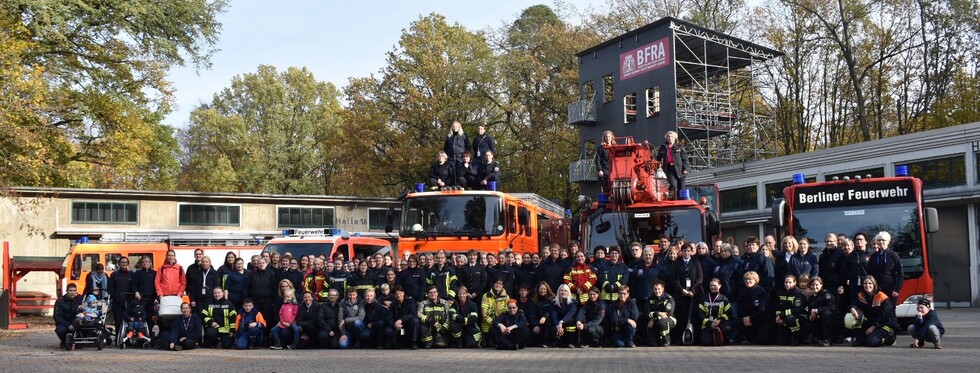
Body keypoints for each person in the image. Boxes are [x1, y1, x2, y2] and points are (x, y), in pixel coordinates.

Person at [849, 276, 899, 347]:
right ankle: (862, 338)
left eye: (870, 283)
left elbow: (885, 316)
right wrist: (852, 308)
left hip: (883, 324)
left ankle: (889, 338)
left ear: (874, 285)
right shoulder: (861, 295)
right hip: (869, 323)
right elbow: (852, 304)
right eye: (865, 283)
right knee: (850, 318)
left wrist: (873, 327)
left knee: (872, 342)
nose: (867, 285)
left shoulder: (882, 297)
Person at [670, 243, 702, 344]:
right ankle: (681, 339)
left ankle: (694, 339)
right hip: (681, 295)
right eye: (684, 251)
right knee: (681, 317)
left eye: (688, 250)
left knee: (693, 316)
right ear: (681, 252)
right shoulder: (676, 263)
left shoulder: (696, 263)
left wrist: (693, 290)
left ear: (691, 252)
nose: (686, 252)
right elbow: (674, 279)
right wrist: (682, 290)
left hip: (693, 295)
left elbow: (700, 278)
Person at [868, 231, 903, 305]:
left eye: (883, 240)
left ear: (888, 241)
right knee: (878, 310)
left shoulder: (893, 256)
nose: (881, 242)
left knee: (890, 311)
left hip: (891, 289)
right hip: (877, 289)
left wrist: (897, 289)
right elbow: (869, 273)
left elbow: (900, 273)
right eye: (879, 240)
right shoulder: (873, 256)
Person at [245, 257, 278, 335]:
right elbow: (246, 288)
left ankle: (266, 338)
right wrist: (247, 300)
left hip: (267, 302)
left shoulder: (271, 274)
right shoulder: (251, 275)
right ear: (257, 264)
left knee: (267, 319)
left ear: (266, 264)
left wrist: (273, 301)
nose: (261, 264)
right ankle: (256, 338)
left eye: (263, 263)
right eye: (260, 263)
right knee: (255, 319)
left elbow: (274, 289)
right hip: (255, 302)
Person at [738, 271, 773, 345]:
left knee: (762, 341)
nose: (748, 281)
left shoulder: (761, 293)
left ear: (756, 280)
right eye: (746, 279)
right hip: (749, 320)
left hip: (762, 320)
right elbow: (742, 308)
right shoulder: (743, 293)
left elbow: (762, 309)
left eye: (750, 279)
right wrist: (745, 318)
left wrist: (750, 318)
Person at [698, 278, 734, 346]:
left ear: (720, 286)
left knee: (727, 328)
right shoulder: (704, 298)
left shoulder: (724, 299)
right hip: (708, 323)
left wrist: (719, 320)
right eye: (711, 285)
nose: (713, 287)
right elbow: (701, 314)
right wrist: (710, 322)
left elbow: (728, 313)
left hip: (721, 323)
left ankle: (725, 338)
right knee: (706, 343)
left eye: (715, 285)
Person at [807, 277, 839, 347]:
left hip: (831, 319)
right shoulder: (811, 298)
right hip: (819, 319)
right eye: (812, 285)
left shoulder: (826, 294)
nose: (814, 287)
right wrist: (811, 316)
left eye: (816, 285)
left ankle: (828, 340)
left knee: (826, 314)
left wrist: (817, 310)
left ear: (821, 285)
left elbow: (831, 306)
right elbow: (810, 310)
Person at [775, 275, 807, 346]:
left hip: (799, 317)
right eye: (786, 282)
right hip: (784, 318)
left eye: (790, 282)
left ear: (795, 283)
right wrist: (778, 316)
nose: (787, 284)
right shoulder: (781, 293)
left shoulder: (798, 294)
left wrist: (782, 315)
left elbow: (797, 309)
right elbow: (778, 308)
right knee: (781, 342)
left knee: (790, 318)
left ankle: (796, 338)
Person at [655, 130, 688, 198]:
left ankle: (681, 201)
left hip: (680, 169)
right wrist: (657, 168)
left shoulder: (679, 146)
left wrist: (685, 169)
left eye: (672, 136)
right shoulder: (663, 147)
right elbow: (658, 158)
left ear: (675, 137)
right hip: (669, 169)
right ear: (667, 138)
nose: (670, 138)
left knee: (681, 186)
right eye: (669, 136)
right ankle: (674, 199)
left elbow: (685, 159)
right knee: (673, 185)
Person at [270, 280, 300, 350]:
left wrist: (290, 322)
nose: (284, 288)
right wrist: (282, 321)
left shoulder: (295, 304)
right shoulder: (282, 304)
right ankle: (278, 344)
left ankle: (294, 344)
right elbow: (279, 313)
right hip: (283, 322)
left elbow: (295, 314)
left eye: (286, 286)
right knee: (273, 330)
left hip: (292, 322)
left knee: (296, 330)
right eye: (282, 286)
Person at [107, 257, 135, 329]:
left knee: (129, 323)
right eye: (122, 262)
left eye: (125, 262)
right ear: (119, 263)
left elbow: (134, 287)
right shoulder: (114, 275)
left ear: (128, 264)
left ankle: (127, 339)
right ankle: (118, 339)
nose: (124, 264)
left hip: (129, 303)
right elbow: (110, 288)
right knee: (118, 323)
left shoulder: (132, 274)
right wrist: (114, 297)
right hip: (117, 303)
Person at [646, 280, 675, 347]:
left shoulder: (669, 298)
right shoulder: (650, 299)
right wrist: (658, 313)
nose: (657, 291)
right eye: (655, 289)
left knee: (661, 322)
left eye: (659, 289)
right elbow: (647, 312)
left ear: (663, 289)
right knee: (652, 344)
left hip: (669, 320)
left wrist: (654, 319)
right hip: (654, 321)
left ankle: (666, 340)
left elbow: (667, 314)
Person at [131, 256, 157, 330]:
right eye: (143, 262)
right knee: (141, 316)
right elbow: (134, 284)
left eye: (147, 261)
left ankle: (150, 332)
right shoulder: (138, 273)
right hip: (141, 298)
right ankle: (141, 332)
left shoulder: (154, 273)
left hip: (152, 298)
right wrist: (136, 292)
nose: (145, 263)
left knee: (151, 317)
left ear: (150, 263)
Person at [54, 283, 83, 348]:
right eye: (70, 290)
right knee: (60, 330)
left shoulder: (80, 299)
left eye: (74, 290)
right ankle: (64, 341)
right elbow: (57, 316)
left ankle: (80, 341)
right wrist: (68, 325)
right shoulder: (60, 302)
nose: (72, 292)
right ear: (66, 291)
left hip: (77, 323)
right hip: (65, 323)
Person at [480, 279, 509, 343]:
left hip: (501, 326)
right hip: (488, 325)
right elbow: (484, 314)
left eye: (500, 283)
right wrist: (495, 323)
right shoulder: (486, 295)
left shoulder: (506, 297)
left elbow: (507, 313)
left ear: (503, 286)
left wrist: (500, 323)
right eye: (496, 283)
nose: (498, 285)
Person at [528, 282, 555, 347]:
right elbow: (532, 314)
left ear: (547, 289)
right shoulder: (533, 300)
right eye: (541, 289)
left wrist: (545, 317)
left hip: (549, 321)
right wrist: (535, 325)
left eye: (544, 289)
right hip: (537, 322)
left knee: (548, 320)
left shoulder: (552, 298)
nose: (542, 291)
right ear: (537, 289)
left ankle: (546, 341)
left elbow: (552, 310)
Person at [444, 120, 470, 185]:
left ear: (459, 127)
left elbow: (468, 147)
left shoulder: (464, 136)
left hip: (461, 159)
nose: (455, 128)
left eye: (456, 126)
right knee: (451, 174)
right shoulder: (449, 137)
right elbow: (445, 148)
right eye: (453, 126)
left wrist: (467, 157)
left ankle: (463, 187)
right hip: (451, 159)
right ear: (451, 127)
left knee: (460, 175)